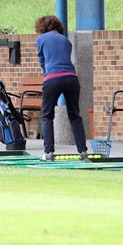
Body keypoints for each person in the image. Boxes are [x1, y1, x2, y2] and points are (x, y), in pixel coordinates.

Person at [34, 14, 89, 162]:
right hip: (72, 77)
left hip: (53, 78)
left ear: (41, 27)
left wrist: (48, 76)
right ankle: (83, 151)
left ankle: (49, 152)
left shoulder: (40, 39)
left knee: (47, 116)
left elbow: (43, 61)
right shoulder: (66, 40)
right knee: (75, 115)